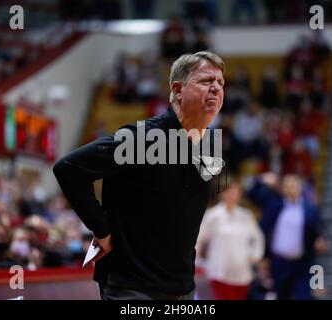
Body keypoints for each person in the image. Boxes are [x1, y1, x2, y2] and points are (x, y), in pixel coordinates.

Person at [53, 51, 225, 300]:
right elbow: (69, 168)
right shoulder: (142, 138)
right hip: (131, 285)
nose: (216, 88)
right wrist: (101, 229)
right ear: (178, 89)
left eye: (221, 83)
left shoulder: (211, 145)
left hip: (182, 287)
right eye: (206, 81)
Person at [246, 172, 326, 300]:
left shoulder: (310, 209)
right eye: (287, 186)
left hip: (302, 263)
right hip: (279, 262)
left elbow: (318, 230)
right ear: (282, 188)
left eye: (293, 185)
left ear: (300, 187)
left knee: (304, 297)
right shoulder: (274, 205)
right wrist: (261, 180)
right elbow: (251, 195)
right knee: (282, 296)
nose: (290, 189)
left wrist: (320, 240)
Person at [196, 181, 264, 300]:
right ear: (221, 194)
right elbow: (199, 238)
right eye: (228, 192)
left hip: (241, 270)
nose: (231, 195)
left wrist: (255, 255)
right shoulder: (213, 215)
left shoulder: (246, 216)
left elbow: (258, 238)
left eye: (235, 192)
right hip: (219, 270)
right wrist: (197, 260)